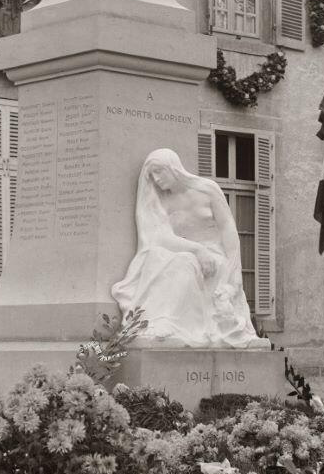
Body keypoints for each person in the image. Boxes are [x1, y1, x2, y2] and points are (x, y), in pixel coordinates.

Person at [111, 149, 271, 349]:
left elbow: (229, 232)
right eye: (152, 175)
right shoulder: (162, 200)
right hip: (187, 251)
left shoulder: (208, 189)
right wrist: (196, 250)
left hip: (214, 258)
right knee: (164, 258)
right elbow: (160, 236)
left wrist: (234, 275)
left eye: (159, 172)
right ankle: (161, 321)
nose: (156, 179)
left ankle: (169, 322)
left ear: (173, 168)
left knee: (183, 262)